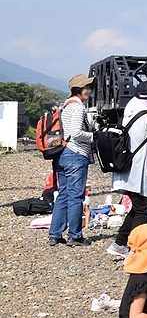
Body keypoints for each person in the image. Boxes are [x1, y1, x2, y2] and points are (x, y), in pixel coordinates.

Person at [106, 81, 147, 260]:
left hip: (126, 168)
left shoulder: (128, 112)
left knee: (138, 207)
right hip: (140, 169)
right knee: (142, 210)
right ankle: (136, 249)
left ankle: (119, 244)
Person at [48, 74, 96, 247]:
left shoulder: (65, 106)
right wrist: (94, 136)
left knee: (63, 195)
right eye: (87, 88)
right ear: (79, 90)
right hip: (75, 154)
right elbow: (76, 133)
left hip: (62, 154)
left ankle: (55, 234)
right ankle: (75, 235)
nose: (89, 91)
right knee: (76, 196)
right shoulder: (77, 107)